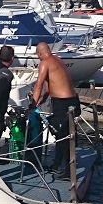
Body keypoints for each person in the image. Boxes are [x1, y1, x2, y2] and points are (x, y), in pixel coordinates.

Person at [31, 42, 80, 180]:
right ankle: (57, 164)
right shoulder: (58, 60)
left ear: (40, 53)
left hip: (63, 103)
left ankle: (69, 170)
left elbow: (39, 85)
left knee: (63, 136)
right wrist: (43, 99)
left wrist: (33, 104)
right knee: (60, 134)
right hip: (73, 100)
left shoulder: (45, 62)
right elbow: (48, 87)